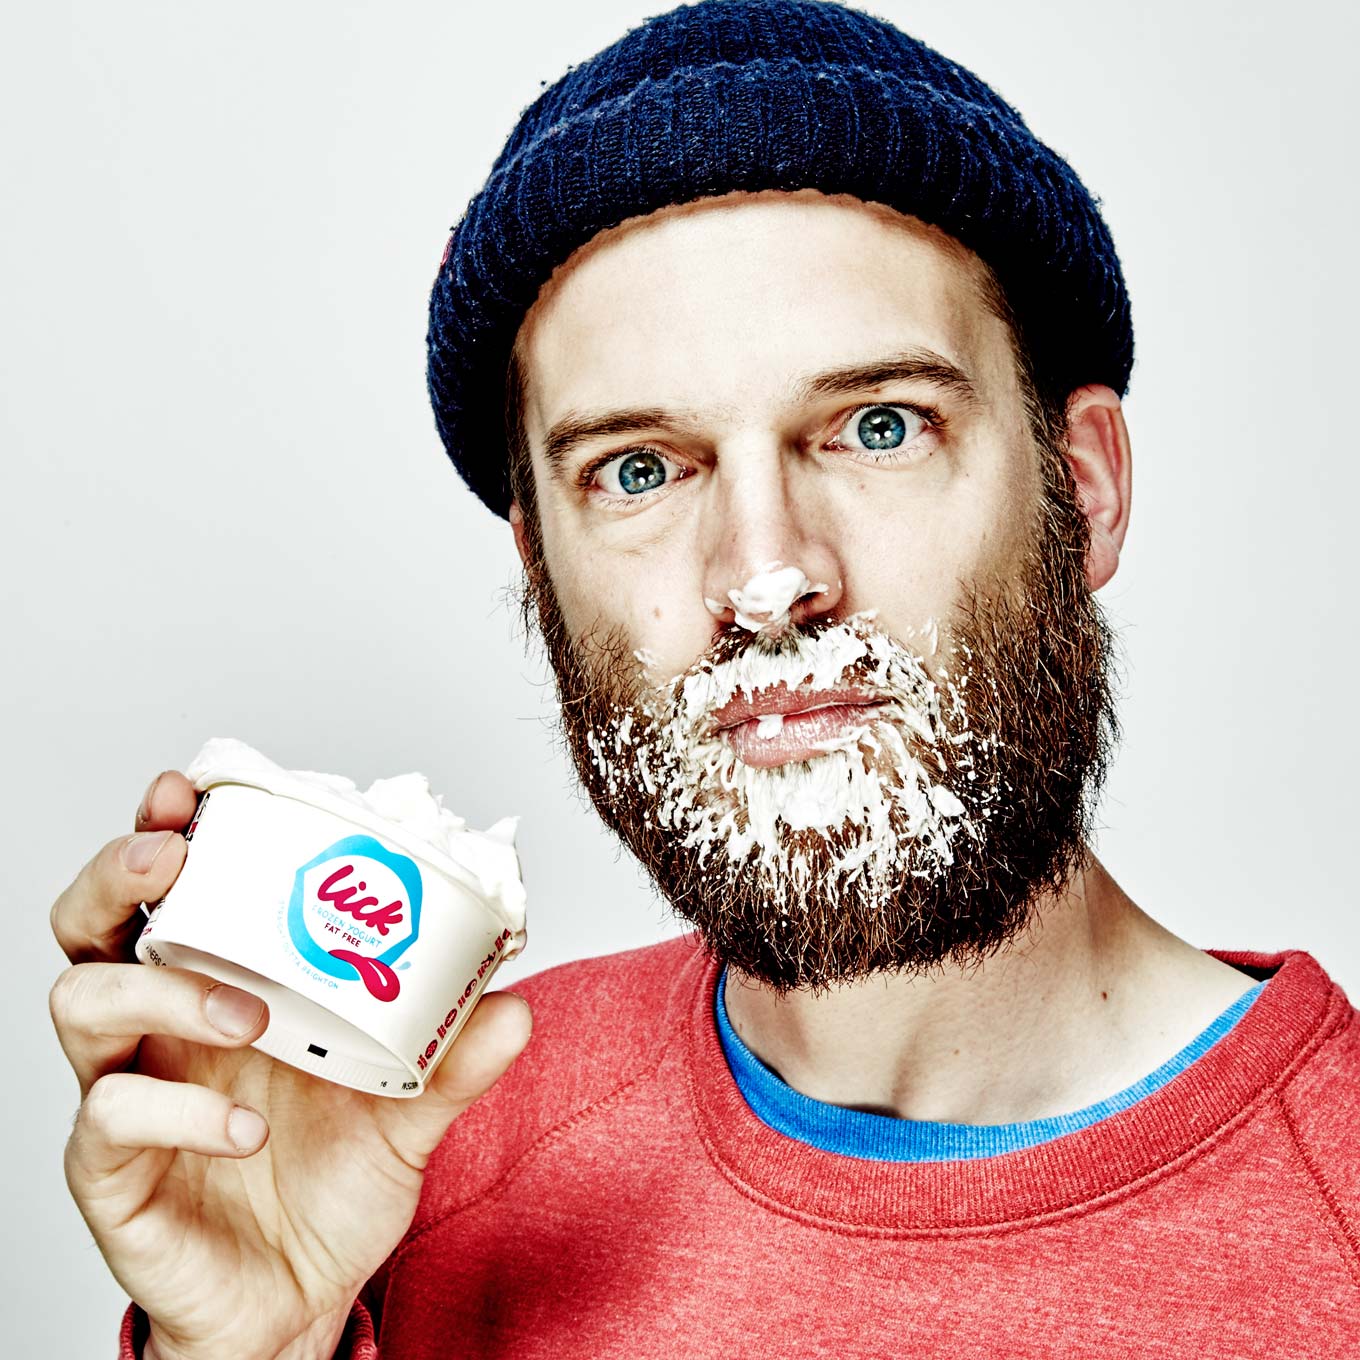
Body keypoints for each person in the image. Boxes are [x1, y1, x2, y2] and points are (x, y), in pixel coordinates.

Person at [48, 2, 1360, 1356]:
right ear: (539, 569)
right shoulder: (405, 1157)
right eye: (639, 470)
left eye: (879, 427)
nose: (767, 576)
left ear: (1082, 492)